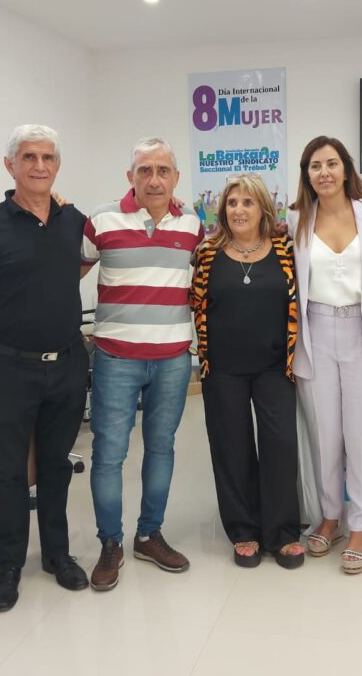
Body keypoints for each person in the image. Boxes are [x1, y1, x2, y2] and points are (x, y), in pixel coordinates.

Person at [0, 125, 93, 611]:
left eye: (47, 157)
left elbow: (75, 269)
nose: (39, 165)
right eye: (28, 157)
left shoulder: (75, 221)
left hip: (68, 365)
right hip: (8, 369)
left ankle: (57, 555)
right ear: (9, 165)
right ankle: (9, 565)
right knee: (9, 471)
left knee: (56, 465)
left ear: (57, 165)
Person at [82, 137, 204, 591]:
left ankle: (149, 535)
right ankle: (110, 543)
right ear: (130, 176)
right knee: (108, 454)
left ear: (176, 177)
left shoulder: (192, 224)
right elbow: (64, 272)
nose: (154, 179)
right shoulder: (101, 220)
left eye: (162, 170)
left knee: (161, 448)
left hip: (173, 359)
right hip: (115, 358)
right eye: (144, 170)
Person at [289, 136, 362, 574]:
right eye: (315, 166)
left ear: (346, 169)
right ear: (306, 174)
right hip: (315, 333)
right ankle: (330, 516)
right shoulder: (296, 219)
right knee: (325, 436)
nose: (324, 173)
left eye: (331, 163)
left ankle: (360, 526)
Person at [189, 175, 302, 569]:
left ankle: (282, 532)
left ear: (263, 209)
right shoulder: (206, 253)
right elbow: (195, 303)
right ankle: (244, 530)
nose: (239, 210)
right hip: (222, 369)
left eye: (248, 202)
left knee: (280, 447)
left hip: (275, 368)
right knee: (231, 448)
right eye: (232, 203)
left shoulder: (285, 250)